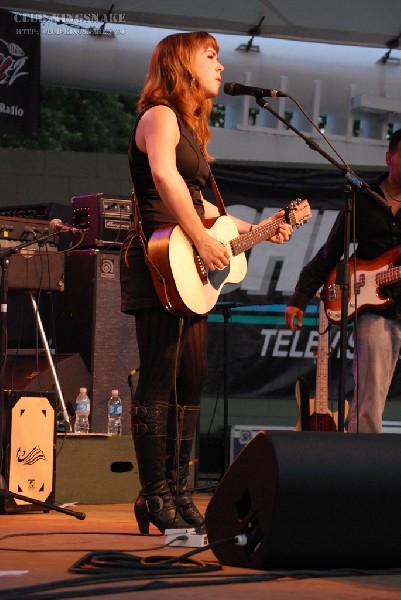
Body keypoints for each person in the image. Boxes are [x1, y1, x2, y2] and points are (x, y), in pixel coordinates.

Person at [120, 31, 293, 535]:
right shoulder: (159, 116)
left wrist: (256, 229)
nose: (221, 65)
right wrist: (199, 235)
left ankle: (178, 490)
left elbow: (204, 205)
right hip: (156, 257)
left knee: (191, 377)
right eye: (210, 56)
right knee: (158, 374)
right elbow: (165, 179)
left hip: (186, 259)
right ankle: (154, 494)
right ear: (181, 64)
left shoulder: (193, 129)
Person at [285, 128, 401, 433]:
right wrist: (300, 298)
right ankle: (363, 469)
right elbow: (329, 252)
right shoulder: (363, 199)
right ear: (390, 157)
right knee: (369, 399)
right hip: (374, 310)